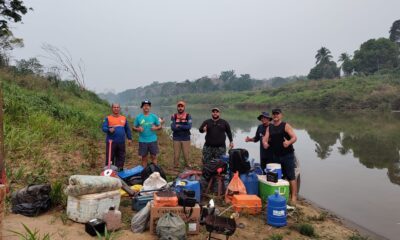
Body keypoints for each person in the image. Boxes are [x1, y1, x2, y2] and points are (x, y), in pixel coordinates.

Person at [262, 108, 298, 203]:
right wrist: (265, 143)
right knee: (278, 176)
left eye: (277, 114)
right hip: (276, 156)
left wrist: (289, 142)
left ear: (281, 115)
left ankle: (294, 197)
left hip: (288, 155)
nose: (275, 116)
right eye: (274, 114)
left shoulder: (285, 125)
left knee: (291, 176)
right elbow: (265, 139)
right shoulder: (270, 127)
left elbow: (294, 137)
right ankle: (281, 194)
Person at [102, 103, 132, 171]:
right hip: (111, 142)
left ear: (119, 108)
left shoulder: (124, 118)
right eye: (114, 107)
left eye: (117, 107)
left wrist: (129, 138)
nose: (116, 108)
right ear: (112, 108)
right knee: (110, 157)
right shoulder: (108, 118)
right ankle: (109, 171)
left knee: (121, 157)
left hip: (121, 142)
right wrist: (109, 129)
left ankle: (119, 171)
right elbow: (103, 128)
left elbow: (127, 129)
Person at [132, 99, 162, 167]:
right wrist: (138, 129)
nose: (146, 107)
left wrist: (156, 128)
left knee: (154, 157)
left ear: (150, 107)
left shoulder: (154, 116)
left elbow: (160, 126)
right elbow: (133, 127)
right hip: (142, 141)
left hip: (153, 140)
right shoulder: (138, 117)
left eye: (148, 106)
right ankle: (144, 173)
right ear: (142, 107)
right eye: (144, 105)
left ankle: (154, 172)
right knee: (144, 158)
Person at [170, 100, 192, 168]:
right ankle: (176, 166)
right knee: (176, 155)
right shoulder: (174, 116)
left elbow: (189, 127)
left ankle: (187, 165)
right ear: (177, 107)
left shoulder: (188, 116)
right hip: (176, 138)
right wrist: (183, 127)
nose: (180, 108)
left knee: (186, 154)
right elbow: (173, 127)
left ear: (184, 107)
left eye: (182, 106)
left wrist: (179, 126)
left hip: (186, 138)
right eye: (179, 106)